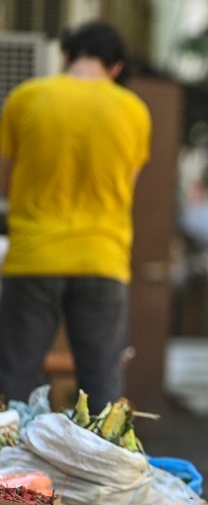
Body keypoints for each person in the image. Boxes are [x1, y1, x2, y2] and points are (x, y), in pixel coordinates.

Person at [0, 21, 152, 408]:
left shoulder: (26, 97)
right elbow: (126, 188)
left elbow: (7, 177)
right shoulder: (133, 111)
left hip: (34, 256)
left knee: (16, 375)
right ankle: (97, 465)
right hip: (103, 257)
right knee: (101, 381)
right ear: (115, 67)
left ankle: (11, 465)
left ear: (66, 56)